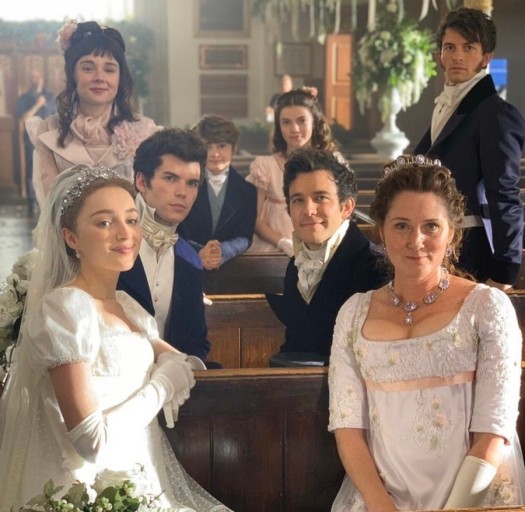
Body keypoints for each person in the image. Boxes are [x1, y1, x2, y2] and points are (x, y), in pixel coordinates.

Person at [0, 165, 231, 511]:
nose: (125, 234)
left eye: (132, 219)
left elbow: (178, 361)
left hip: (141, 477)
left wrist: (172, 366)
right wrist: (163, 386)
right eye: (105, 222)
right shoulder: (65, 308)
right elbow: (91, 441)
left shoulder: (126, 304)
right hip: (88, 489)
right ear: (71, 238)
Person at [329, 154, 525, 511]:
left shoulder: (487, 308)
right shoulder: (353, 314)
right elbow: (348, 429)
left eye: (431, 226)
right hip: (379, 500)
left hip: (473, 498)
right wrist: (381, 506)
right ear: (381, 230)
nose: (415, 240)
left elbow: (493, 432)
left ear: (451, 233)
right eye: (401, 225)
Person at [414, 7, 525, 291]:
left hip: (474, 253)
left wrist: (505, 271)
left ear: (486, 57)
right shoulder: (447, 106)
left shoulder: (497, 114)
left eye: (468, 47)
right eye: (449, 47)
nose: (457, 56)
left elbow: (504, 194)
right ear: (439, 55)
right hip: (439, 248)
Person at [266, 148, 386, 362]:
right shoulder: (296, 265)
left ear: (347, 207)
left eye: (320, 197)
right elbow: (296, 344)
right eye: (298, 200)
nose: (308, 210)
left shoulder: (375, 267)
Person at [26, 20, 159, 208]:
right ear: (73, 74)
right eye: (88, 68)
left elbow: (151, 202)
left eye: (109, 69)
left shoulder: (144, 132)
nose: (99, 77)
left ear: (120, 78)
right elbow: (51, 209)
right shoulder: (49, 132)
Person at [118, 128, 212, 364]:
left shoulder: (191, 260)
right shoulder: (108, 242)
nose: (182, 193)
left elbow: (197, 343)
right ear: (141, 181)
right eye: (170, 178)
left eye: (192, 183)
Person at [247, 87, 340, 256]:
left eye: (301, 120)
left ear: (314, 122)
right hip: (275, 249)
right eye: (286, 122)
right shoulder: (266, 167)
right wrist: (283, 242)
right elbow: (253, 219)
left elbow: (340, 212)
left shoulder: (333, 163)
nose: (294, 129)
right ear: (279, 126)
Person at [179, 114, 256, 270]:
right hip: (186, 263)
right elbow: (175, 231)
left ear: (234, 148)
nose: (215, 154)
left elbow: (245, 236)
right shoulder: (183, 185)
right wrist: (199, 251)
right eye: (208, 147)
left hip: (230, 268)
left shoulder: (248, 190)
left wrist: (223, 251)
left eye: (221, 146)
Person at [16, 69, 56, 207]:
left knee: (49, 168)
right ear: (30, 80)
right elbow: (23, 118)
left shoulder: (50, 96)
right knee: (31, 168)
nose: (37, 80)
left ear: (42, 79)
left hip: (48, 138)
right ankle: (32, 201)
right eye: (33, 77)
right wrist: (37, 105)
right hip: (30, 139)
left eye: (38, 77)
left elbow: (56, 116)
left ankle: (49, 199)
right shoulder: (24, 98)